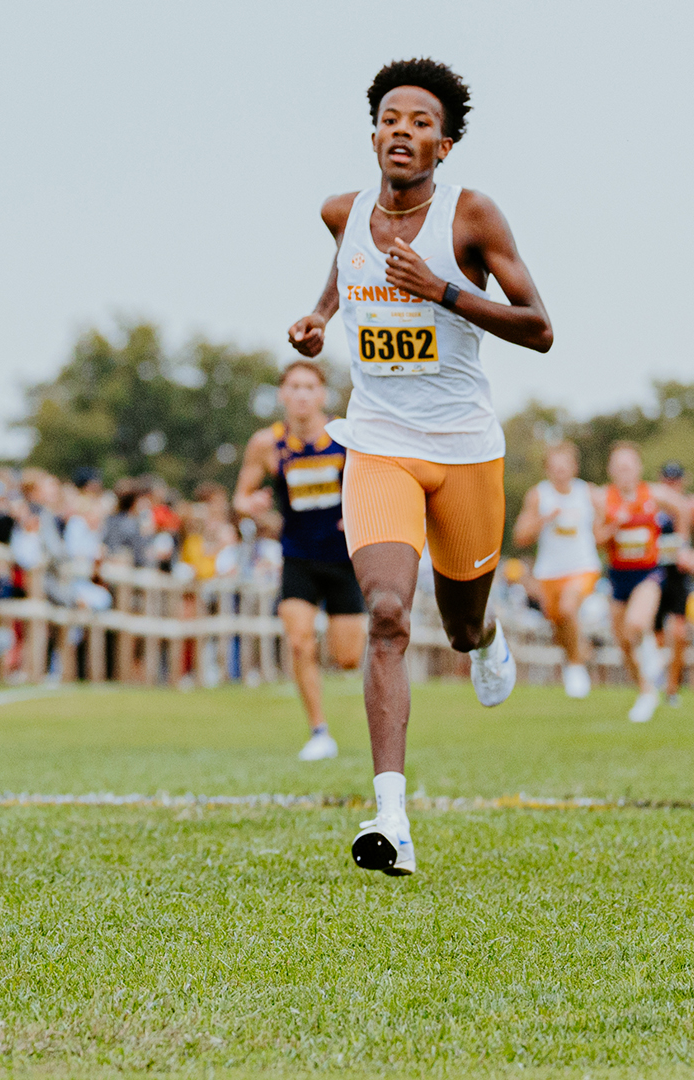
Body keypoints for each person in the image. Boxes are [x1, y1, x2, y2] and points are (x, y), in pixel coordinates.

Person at [286, 58, 554, 876]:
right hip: (377, 443)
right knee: (392, 614)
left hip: (466, 448)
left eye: (421, 122)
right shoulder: (343, 211)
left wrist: (441, 290)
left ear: (445, 143)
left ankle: (486, 633)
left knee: (461, 621)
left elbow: (538, 327)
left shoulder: (471, 217)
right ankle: (391, 820)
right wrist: (321, 316)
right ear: (374, 134)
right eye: (390, 118)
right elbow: (348, 262)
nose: (403, 131)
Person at [235, 360, 366, 759]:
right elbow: (239, 497)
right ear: (282, 394)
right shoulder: (267, 444)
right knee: (299, 643)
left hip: (344, 558)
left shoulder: (346, 436)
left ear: (322, 394)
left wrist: (358, 509)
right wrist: (253, 506)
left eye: (310, 386)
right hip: (297, 556)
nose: (302, 394)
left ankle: (344, 658)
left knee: (347, 659)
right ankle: (319, 732)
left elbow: (375, 485)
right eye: (294, 386)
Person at [595, 443, 689, 723]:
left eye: (629, 466)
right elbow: (597, 539)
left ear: (638, 467)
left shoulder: (654, 493)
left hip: (648, 573)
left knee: (637, 623)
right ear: (611, 470)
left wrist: (681, 543)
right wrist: (614, 525)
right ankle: (645, 691)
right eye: (619, 467)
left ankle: (655, 660)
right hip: (617, 576)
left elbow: (682, 508)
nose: (624, 472)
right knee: (623, 642)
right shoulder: (604, 498)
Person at [511, 442, 599, 699]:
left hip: (583, 567)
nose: (560, 472)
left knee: (569, 608)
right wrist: (544, 519)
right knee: (559, 624)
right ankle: (578, 653)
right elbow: (520, 536)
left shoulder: (588, 493)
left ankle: (576, 667)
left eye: (564, 467)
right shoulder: (539, 495)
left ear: (574, 467)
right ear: (547, 470)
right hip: (549, 572)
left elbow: (602, 527)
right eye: (554, 468)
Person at [655, 461, 690, 705]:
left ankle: (672, 687)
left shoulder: (688, 507)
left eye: (675, 479)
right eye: (668, 479)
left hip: (679, 577)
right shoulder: (652, 506)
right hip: (654, 575)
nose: (671, 484)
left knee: (678, 634)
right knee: (656, 636)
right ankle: (655, 681)